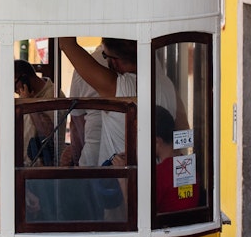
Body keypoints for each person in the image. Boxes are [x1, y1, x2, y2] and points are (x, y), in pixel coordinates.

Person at [62, 37, 179, 166]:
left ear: (115, 62)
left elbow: (66, 44)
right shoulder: (167, 84)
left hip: (118, 181)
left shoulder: (117, 88)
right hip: (154, 177)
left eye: (104, 56)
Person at [14, 59, 62, 166]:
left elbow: (47, 132)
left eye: (14, 85)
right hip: (24, 164)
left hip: (42, 167)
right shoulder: (26, 96)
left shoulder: (53, 95)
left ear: (25, 77)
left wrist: (30, 104)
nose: (15, 91)